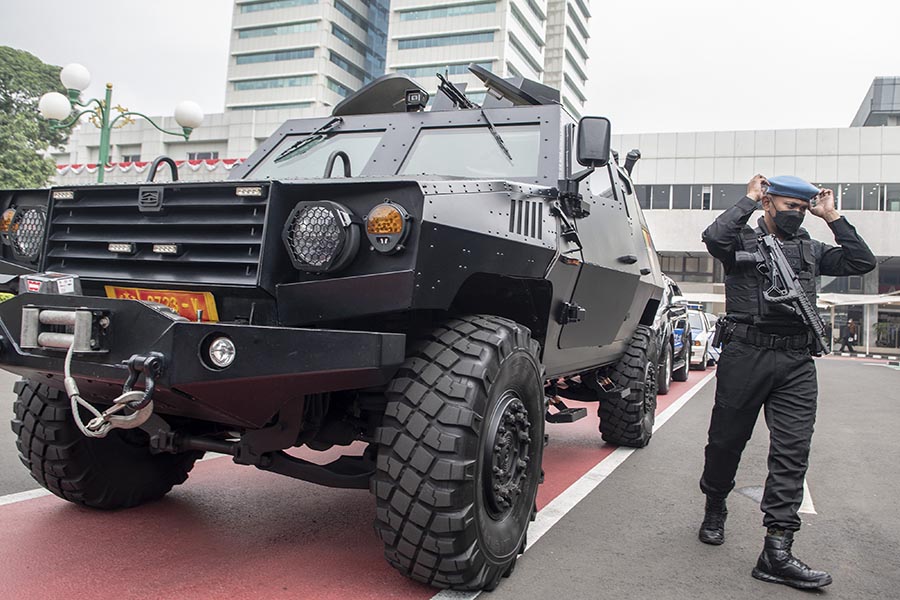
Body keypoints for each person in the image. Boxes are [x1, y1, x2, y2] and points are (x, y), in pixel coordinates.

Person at [697, 174, 876, 589]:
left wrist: (833, 217)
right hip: (745, 354)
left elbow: (862, 262)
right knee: (725, 443)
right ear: (768, 203)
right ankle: (715, 504)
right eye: (787, 206)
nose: (795, 213)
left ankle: (777, 550)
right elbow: (713, 237)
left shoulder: (812, 250)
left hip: (796, 359)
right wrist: (747, 199)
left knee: (792, 452)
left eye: (801, 207)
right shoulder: (740, 241)